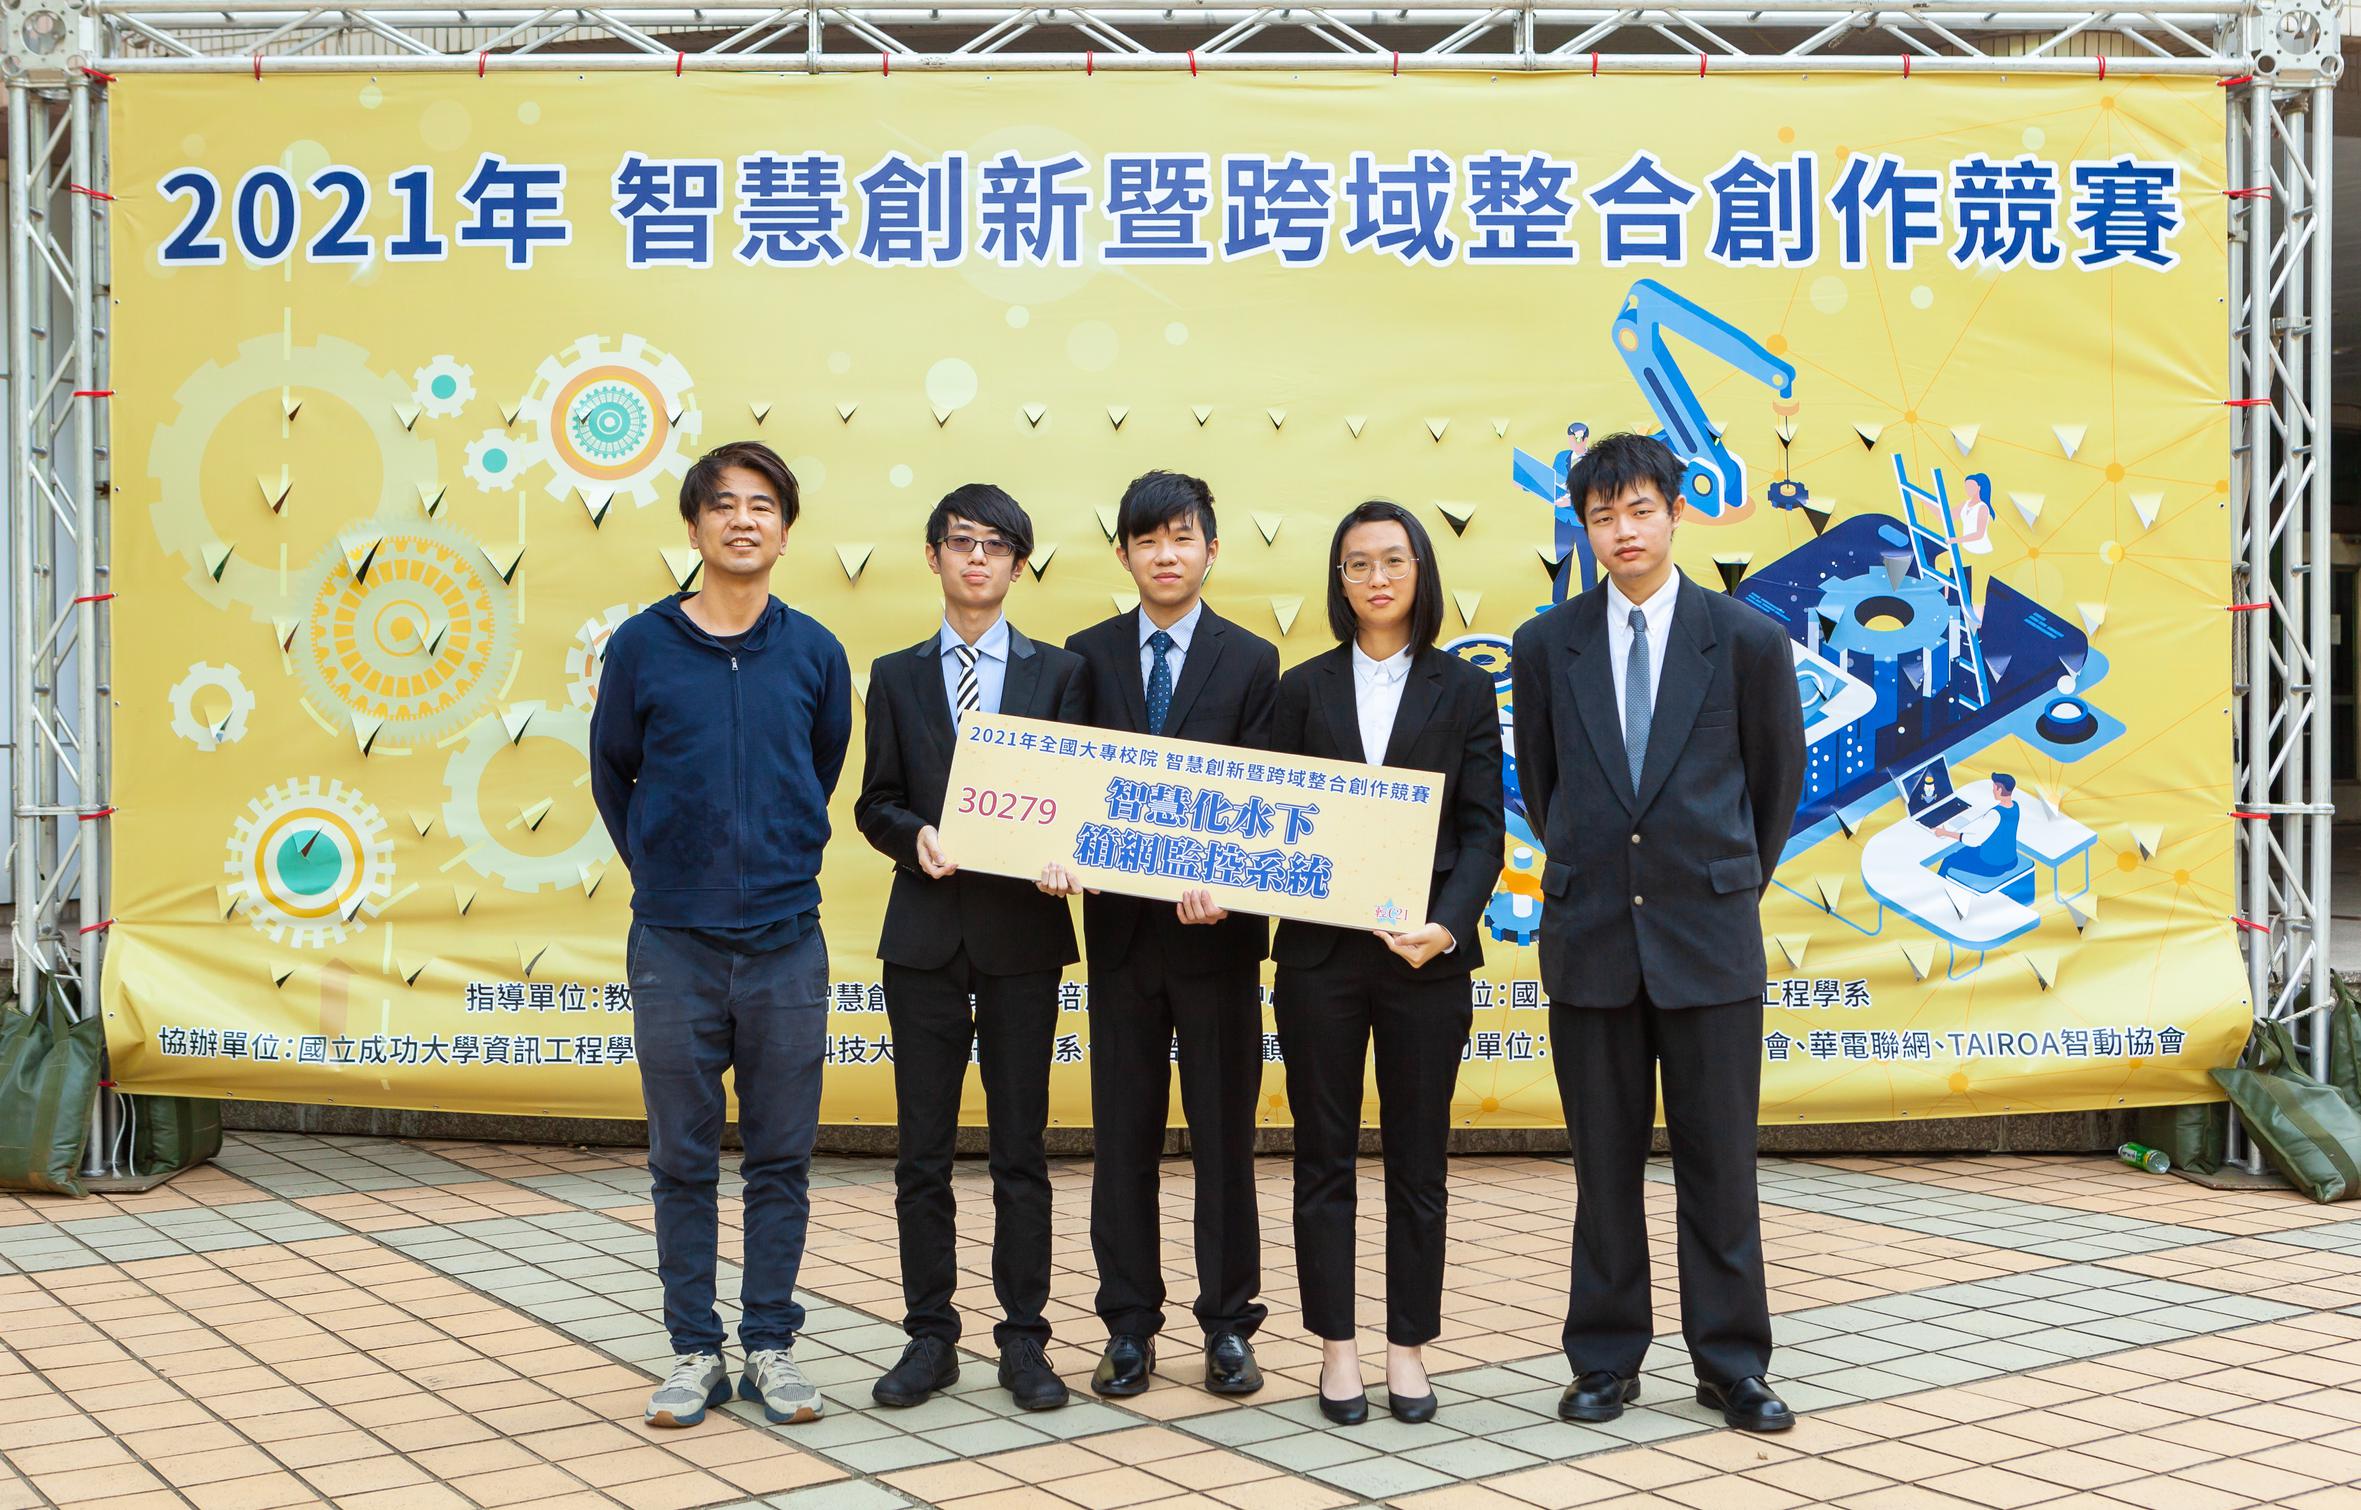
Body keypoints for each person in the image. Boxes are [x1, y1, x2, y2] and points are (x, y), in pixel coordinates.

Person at [1509, 432, 1806, 1435]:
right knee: (1603, 1167)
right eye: (1603, 516)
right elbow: (1545, 787)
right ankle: (1603, 1359)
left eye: (1640, 510)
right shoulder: (1547, 645)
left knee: (1720, 1165)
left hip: (1708, 939)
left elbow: (1774, 788)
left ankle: (1732, 1364)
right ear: (1583, 529)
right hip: (1591, 936)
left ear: (1676, 513)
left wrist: (1719, 881)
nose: (1623, 531)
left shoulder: (1746, 639)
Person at [588, 440, 850, 1429]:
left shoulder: (814, 651)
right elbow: (613, 772)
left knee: (781, 1157)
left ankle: (771, 1344)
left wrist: (769, 858)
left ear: (785, 531)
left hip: (786, 941)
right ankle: (694, 1349)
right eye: (726, 504)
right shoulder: (642, 645)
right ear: (695, 525)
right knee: (681, 1159)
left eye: (764, 505)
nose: (745, 520)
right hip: (675, 945)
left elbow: (820, 767)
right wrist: (667, 870)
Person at [1040, 470, 1280, 1400]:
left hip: (1218, 944)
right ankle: (1128, 1325)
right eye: (1147, 540)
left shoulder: (1250, 660)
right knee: (1123, 1142)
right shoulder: (1087, 657)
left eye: (1182, 538)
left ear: (1211, 550)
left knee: (1224, 1143)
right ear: (1123, 554)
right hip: (1121, 944)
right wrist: (1060, 852)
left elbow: (1264, 800)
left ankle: (1228, 1326)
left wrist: (1233, 883)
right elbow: (1068, 788)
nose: (1165, 555)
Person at [1267, 500, 1504, 1427]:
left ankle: (1408, 1346)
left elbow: (1482, 828)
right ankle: (1336, 1347)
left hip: (1424, 961)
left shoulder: (1464, 688)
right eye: (1357, 563)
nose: (1376, 578)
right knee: (1321, 1157)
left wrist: (1446, 925)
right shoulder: (1300, 688)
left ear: (1420, 573)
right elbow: (1273, 818)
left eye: (1393, 560)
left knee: (1417, 1161)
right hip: (1319, 958)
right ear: (1339, 579)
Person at [854, 483, 1088, 1413]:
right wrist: (912, 835)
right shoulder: (896, 674)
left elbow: (1081, 796)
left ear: (1018, 564)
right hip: (922, 938)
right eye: (961, 542)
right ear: (934, 556)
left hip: (1023, 936)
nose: (977, 557)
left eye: (996, 545)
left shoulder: (1058, 673)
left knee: (1020, 1150)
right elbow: (874, 800)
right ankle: (929, 1337)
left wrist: (1069, 853)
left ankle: (1024, 1340)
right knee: (922, 1152)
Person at [1936, 772, 2022, 881]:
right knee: (1964, 851)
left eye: (1994, 788)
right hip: (2011, 860)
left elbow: (1974, 841)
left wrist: (1945, 833)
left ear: (1999, 790)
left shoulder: (1995, 813)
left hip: (1993, 865)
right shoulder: (2015, 806)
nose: (1993, 791)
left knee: (1948, 860)